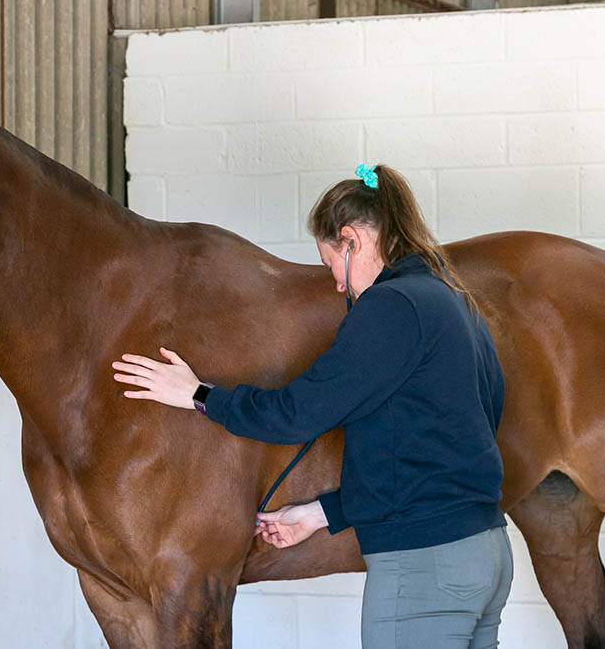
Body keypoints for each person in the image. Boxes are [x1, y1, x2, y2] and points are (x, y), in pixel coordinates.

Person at [112, 163, 513, 648]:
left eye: (330, 266)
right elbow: (451, 444)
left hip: (423, 568)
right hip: (486, 554)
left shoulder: (391, 308)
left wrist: (197, 394)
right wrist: (322, 514)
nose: (338, 286)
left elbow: (296, 413)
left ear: (352, 240)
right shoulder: (455, 302)